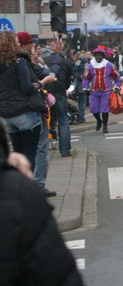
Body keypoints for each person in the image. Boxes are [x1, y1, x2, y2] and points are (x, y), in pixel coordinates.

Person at [0, 120, 85, 286]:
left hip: (13, 117)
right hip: (27, 117)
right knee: (34, 148)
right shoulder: (16, 193)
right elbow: (55, 273)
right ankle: (39, 181)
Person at [0, 31, 57, 173]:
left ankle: (17, 185)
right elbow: (27, 88)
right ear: (14, 44)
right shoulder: (19, 62)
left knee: (17, 154)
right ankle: (27, 186)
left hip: (7, 115)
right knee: (30, 154)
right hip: (25, 112)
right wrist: (42, 82)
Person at [17, 32, 57, 197]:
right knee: (37, 149)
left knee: (19, 150)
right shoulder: (22, 63)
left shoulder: (14, 62)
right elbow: (29, 85)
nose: (34, 47)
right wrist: (42, 82)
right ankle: (35, 186)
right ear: (25, 46)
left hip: (11, 113)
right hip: (29, 111)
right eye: (32, 45)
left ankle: (20, 186)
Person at [45, 38, 74, 156]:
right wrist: (64, 88)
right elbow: (68, 81)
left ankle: (43, 148)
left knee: (43, 119)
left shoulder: (46, 60)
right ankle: (65, 150)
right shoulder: (66, 62)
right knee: (63, 120)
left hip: (46, 92)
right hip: (59, 92)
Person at [83, 46, 121, 134]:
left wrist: (118, 86)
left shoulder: (109, 65)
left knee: (105, 109)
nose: (98, 57)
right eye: (97, 55)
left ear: (103, 56)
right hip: (94, 91)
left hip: (106, 90)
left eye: (100, 55)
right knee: (94, 109)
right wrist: (86, 86)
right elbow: (86, 77)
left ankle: (105, 126)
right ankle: (99, 121)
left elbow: (117, 76)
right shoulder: (90, 66)